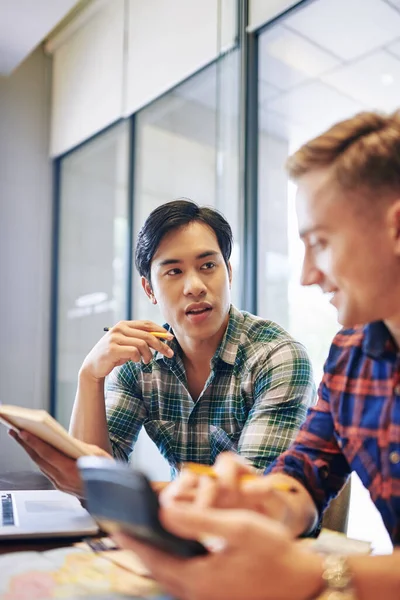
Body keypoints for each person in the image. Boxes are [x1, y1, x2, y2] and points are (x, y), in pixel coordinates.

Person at [114, 111, 400, 600]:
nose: (308, 274)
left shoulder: (277, 353)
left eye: (321, 243)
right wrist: (250, 499)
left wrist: (318, 577)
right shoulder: (352, 356)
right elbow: (305, 475)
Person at [10, 199, 314, 497]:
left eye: (208, 265)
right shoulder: (140, 360)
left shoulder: (277, 357)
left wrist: (114, 490)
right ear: (149, 289)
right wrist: (90, 376)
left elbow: (252, 495)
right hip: (178, 534)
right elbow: (90, 479)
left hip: (263, 541)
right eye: (174, 271)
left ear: (229, 273)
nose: (194, 286)